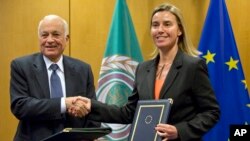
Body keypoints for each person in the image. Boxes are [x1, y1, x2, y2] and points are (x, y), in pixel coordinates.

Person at [71, 3, 220, 141]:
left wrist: (179, 131)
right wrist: (92, 105)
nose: (160, 30)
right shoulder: (143, 69)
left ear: (179, 30)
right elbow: (129, 112)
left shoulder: (193, 66)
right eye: (155, 25)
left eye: (167, 24)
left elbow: (211, 112)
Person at [10, 14, 99, 141]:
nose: (50, 40)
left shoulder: (83, 69)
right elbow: (20, 106)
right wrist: (64, 104)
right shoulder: (21, 66)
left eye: (56, 34)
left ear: (66, 39)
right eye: (44, 35)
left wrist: (91, 135)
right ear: (39, 38)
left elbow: (92, 110)